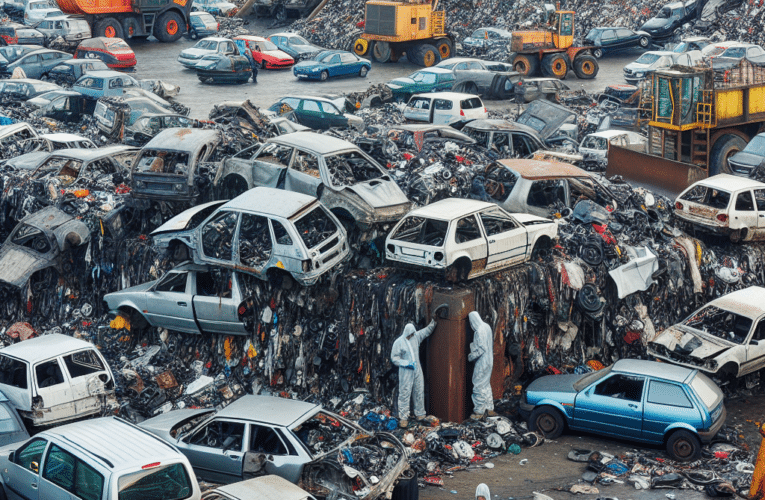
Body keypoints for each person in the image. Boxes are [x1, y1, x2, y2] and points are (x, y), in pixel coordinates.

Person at [391, 304, 447, 428]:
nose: (412, 335)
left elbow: (426, 331)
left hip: (416, 369)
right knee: (405, 393)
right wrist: (405, 363)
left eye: (413, 334)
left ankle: (420, 413)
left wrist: (434, 322)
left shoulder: (415, 337)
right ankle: (403, 417)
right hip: (406, 371)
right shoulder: (399, 343)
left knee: (419, 390)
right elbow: (394, 358)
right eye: (410, 334)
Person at [468, 311, 497, 419]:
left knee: (478, 384)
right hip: (490, 360)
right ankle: (489, 408)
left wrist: (470, 356)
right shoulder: (487, 326)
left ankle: (479, 411)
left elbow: (480, 349)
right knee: (486, 384)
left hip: (482, 362)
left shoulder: (479, 331)